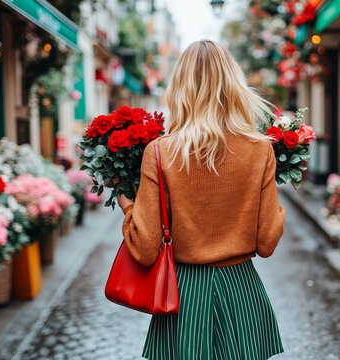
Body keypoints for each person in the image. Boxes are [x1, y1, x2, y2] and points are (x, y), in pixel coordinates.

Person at [117, 39, 286, 360]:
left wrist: (127, 206)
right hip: (241, 294)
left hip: (184, 297)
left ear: (181, 89)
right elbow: (266, 244)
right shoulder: (260, 149)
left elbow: (144, 248)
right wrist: (279, 210)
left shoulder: (160, 152)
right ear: (233, 86)